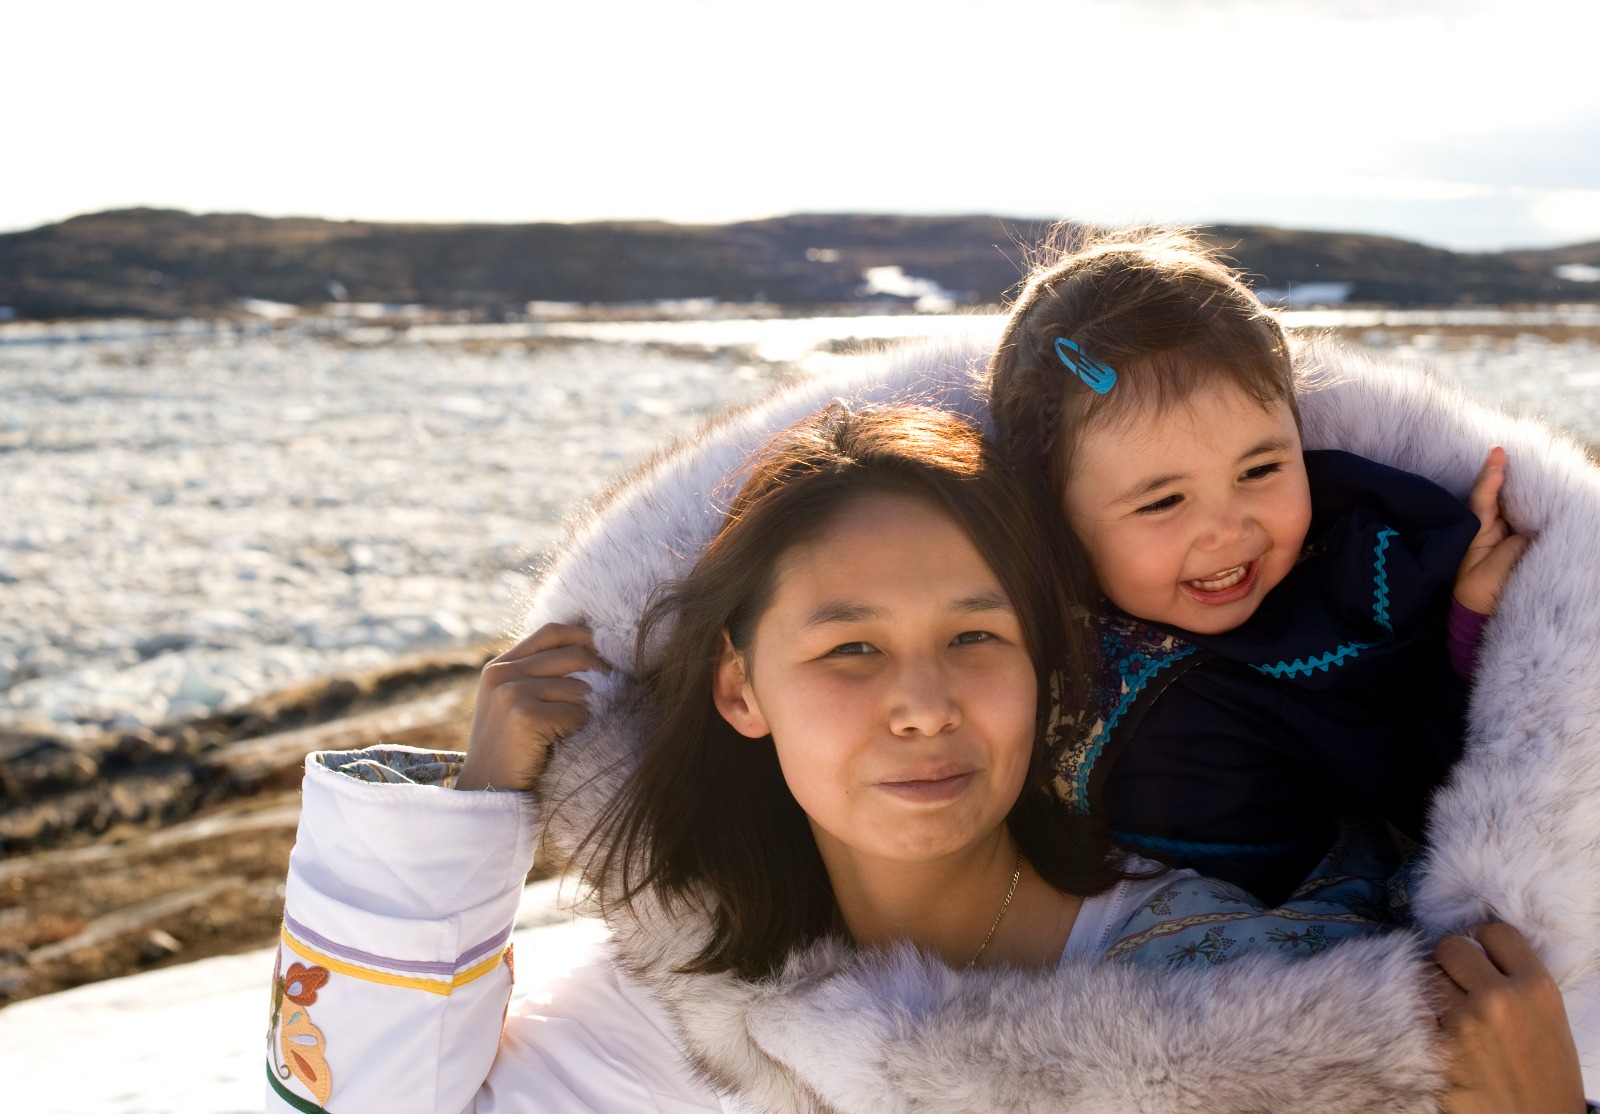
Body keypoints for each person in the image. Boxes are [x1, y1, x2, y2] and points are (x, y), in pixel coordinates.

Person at [264, 403, 1502, 1114]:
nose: (922, 705)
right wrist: (483, 796)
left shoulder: (1229, 984)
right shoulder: (675, 1000)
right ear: (741, 686)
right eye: (850, 647)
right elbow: (357, 1100)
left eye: (975, 635)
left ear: (1047, 672)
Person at [986, 228, 1533, 904]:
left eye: (1261, 468)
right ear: (1052, 515)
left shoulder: (1353, 581)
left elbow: (1431, 779)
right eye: (1162, 501)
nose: (1228, 529)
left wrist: (1468, 616)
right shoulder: (999, 632)